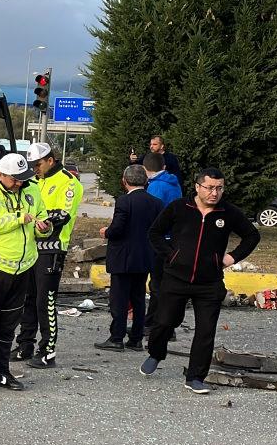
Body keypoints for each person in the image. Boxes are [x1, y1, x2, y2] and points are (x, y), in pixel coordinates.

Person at [140, 168, 260, 394]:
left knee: (206, 330)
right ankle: (156, 353)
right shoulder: (179, 208)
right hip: (176, 278)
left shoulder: (228, 212)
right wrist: (171, 256)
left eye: (219, 188)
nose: (215, 193)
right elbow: (154, 233)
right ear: (197, 187)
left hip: (209, 282)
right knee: (165, 321)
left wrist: (231, 257)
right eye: (210, 188)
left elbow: (252, 236)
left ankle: (195, 377)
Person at [0, 153, 51, 394]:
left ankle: (1, 372)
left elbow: (41, 217)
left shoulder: (31, 189)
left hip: (23, 267)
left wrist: (44, 227)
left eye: (23, 179)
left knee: (8, 325)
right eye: (15, 180)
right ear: (1, 175)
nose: (19, 184)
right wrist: (17, 218)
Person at [13, 142, 84, 369]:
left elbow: (62, 215)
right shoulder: (33, 181)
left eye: (38, 164)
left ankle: (48, 351)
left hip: (53, 248)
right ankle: (25, 345)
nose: (35, 169)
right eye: (32, 165)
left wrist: (35, 218)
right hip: (31, 247)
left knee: (46, 301)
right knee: (28, 299)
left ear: (50, 160)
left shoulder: (69, 182)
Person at [96, 165, 162, 351]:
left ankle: (116, 337)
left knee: (119, 299)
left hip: (123, 257)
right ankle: (136, 338)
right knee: (139, 297)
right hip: (145, 256)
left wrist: (106, 232)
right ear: (146, 181)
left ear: (124, 181)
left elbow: (118, 228)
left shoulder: (124, 201)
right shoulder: (156, 203)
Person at [142, 152, 183, 342]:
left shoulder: (156, 187)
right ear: (164, 167)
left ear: (145, 169)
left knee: (157, 284)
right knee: (164, 283)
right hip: (173, 238)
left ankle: (156, 324)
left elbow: (151, 215)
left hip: (160, 240)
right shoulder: (173, 184)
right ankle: (158, 322)